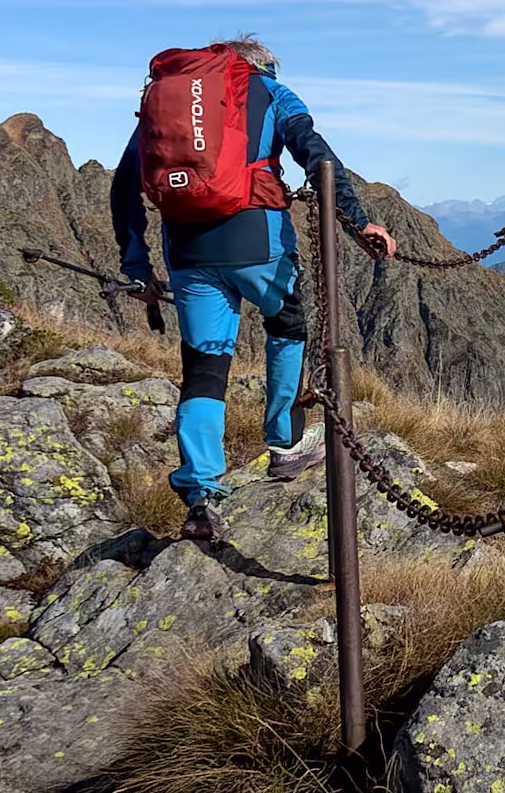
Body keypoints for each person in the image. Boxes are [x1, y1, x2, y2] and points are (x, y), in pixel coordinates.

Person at [108, 36, 394, 542]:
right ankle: (285, 445)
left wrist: (137, 264)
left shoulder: (167, 102)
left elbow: (124, 185)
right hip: (258, 240)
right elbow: (318, 158)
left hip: (189, 253)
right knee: (286, 324)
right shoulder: (270, 92)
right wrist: (360, 222)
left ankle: (200, 492)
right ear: (262, 65)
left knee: (204, 367)